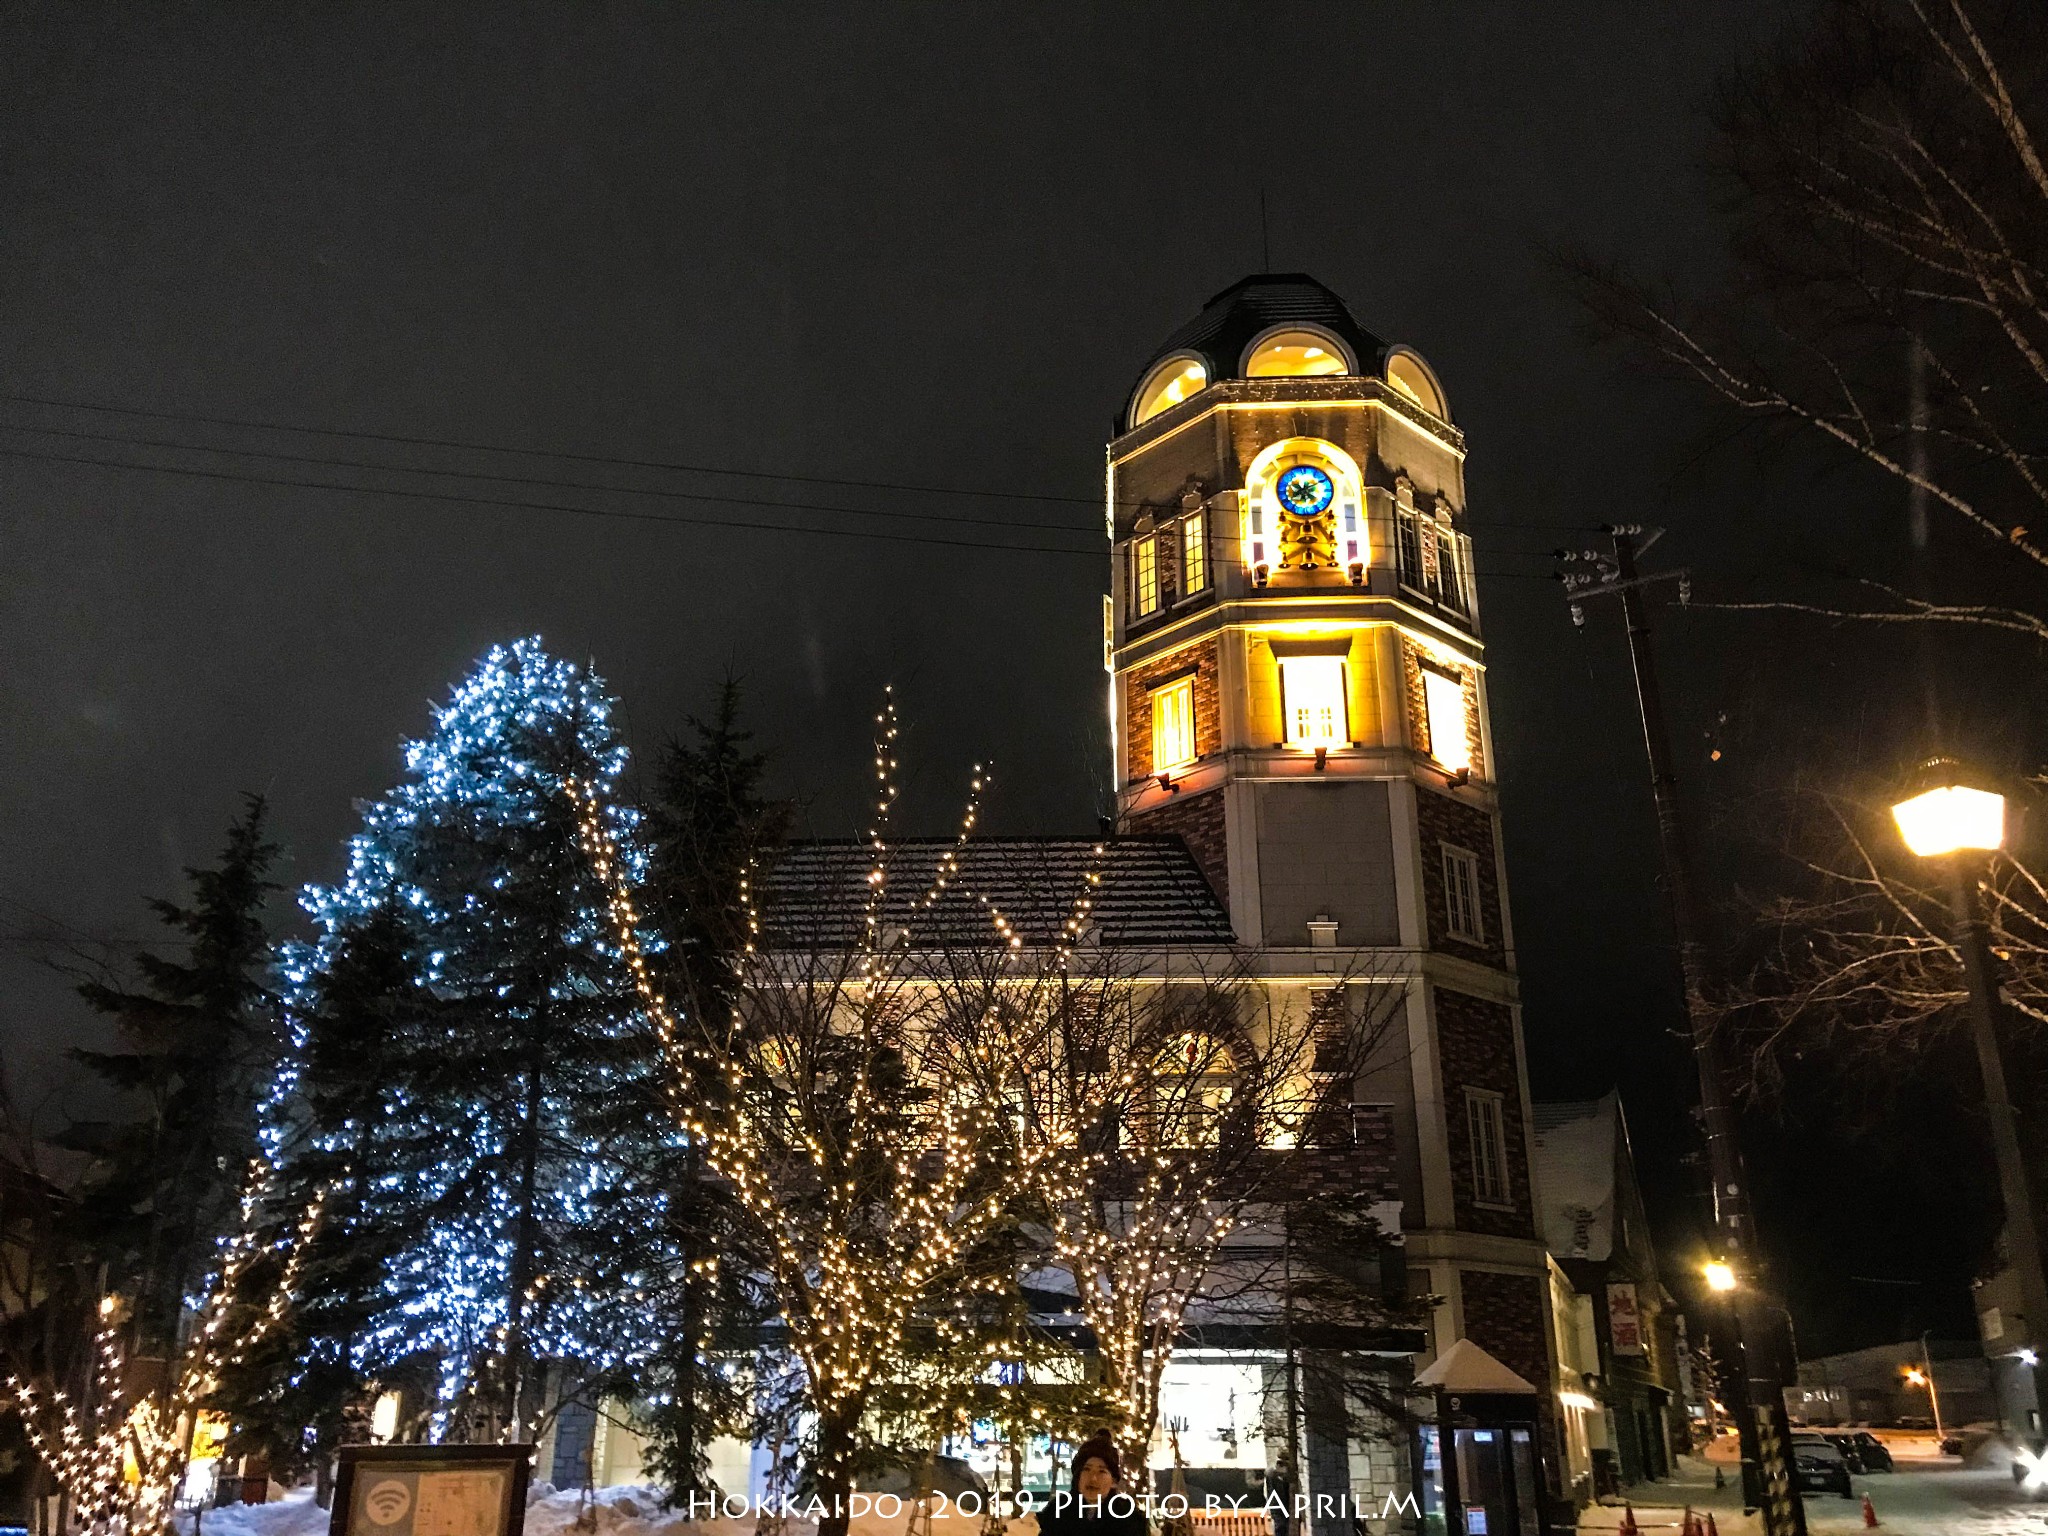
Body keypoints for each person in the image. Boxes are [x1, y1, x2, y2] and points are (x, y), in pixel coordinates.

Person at [1034, 1434, 1150, 1536]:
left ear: (1113, 1481)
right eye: (1087, 1469)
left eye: (1101, 1471)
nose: (1093, 1478)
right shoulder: (1057, 1511)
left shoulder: (1127, 1517)